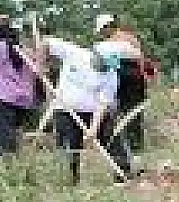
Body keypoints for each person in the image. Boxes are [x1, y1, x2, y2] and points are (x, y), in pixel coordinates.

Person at [42, 34, 130, 183]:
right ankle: (69, 180)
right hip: (65, 110)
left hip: (93, 112)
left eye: (109, 66)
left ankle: (122, 174)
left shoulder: (112, 75)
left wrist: (93, 130)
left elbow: (103, 104)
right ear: (96, 56)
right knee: (70, 145)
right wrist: (41, 64)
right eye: (104, 64)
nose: (106, 68)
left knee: (112, 136)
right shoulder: (74, 53)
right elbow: (46, 42)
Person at [95, 13, 151, 154]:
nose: (102, 34)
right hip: (136, 79)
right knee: (133, 115)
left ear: (107, 27)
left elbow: (112, 64)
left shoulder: (113, 43)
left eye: (102, 30)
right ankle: (131, 145)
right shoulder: (131, 38)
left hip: (125, 79)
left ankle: (127, 147)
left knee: (124, 115)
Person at [0, 15, 41, 154]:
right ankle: (13, 162)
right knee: (14, 133)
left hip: (5, 98)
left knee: (6, 136)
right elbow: (38, 71)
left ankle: (8, 165)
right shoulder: (27, 52)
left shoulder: (2, 48)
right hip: (24, 101)